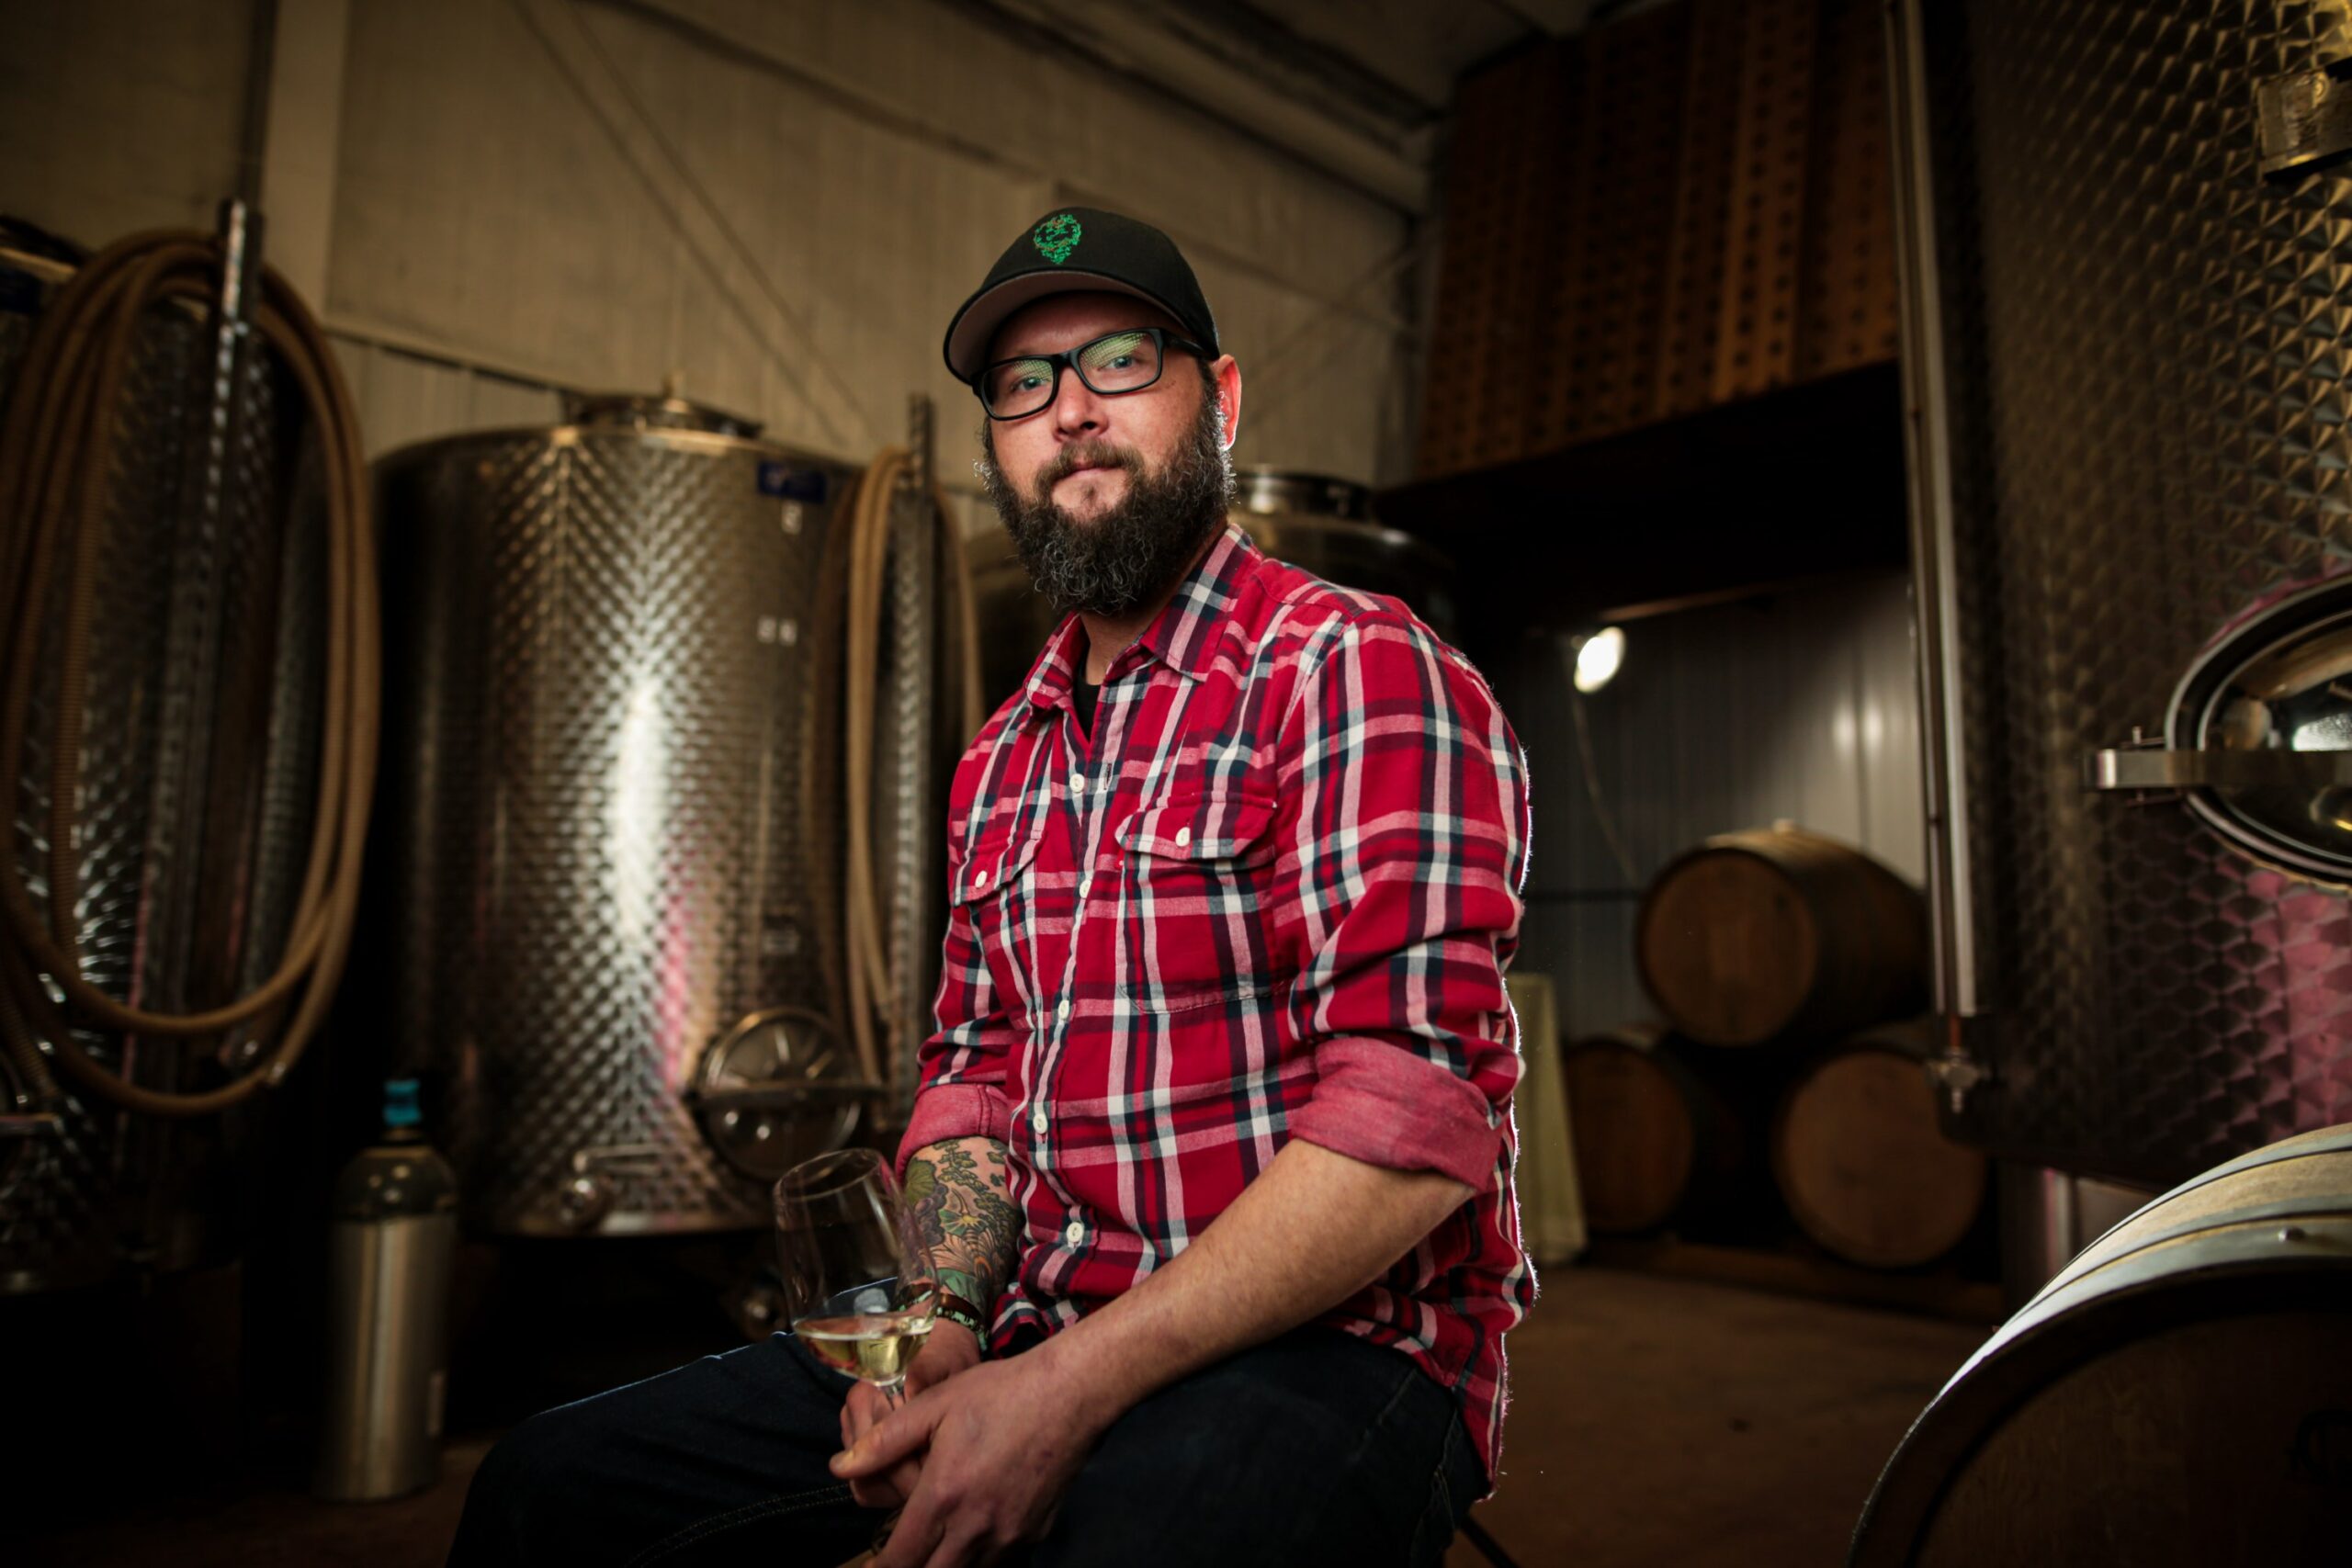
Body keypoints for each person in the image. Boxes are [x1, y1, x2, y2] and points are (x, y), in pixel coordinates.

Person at [447, 207, 1533, 1568]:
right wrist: (947, 1315)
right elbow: (975, 1078)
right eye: (1024, 385)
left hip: (1336, 1355)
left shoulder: (1354, 670)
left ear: (1225, 398)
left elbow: (1411, 1116)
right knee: (547, 1489)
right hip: (1033, 1326)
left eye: (1120, 362)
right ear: (997, 446)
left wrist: (1068, 1389)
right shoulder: (1000, 760)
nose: (1070, 411)